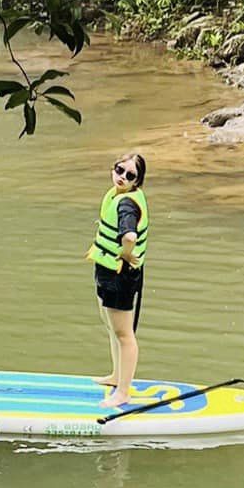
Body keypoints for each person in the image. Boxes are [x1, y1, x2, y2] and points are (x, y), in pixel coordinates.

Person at [86, 151, 148, 408]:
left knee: (124, 334)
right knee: (111, 326)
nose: (122, 176)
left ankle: (123, 392)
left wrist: (124, 253)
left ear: (137, 181)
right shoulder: (118, 196)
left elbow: (130, 236)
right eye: (119, 169)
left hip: (119, 274)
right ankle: (116, 376)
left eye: (130, 175)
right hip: (108, 269)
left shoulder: (126, 205)